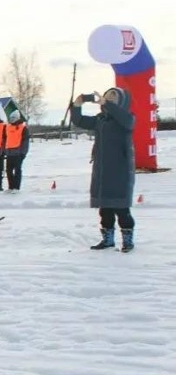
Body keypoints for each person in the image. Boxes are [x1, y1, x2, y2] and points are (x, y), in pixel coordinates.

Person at [71, 88, 136, 252]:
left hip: (120, 170)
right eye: (106, 96)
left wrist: (107, 104)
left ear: (121, 101)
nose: (107, 99)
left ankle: (128, 240)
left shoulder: (126, 119)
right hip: (102, 170)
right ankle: (108, 239)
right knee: (105, 208)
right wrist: (77, 105)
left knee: (121, 208)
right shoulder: (101, 120)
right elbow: (79, 121)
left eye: (113, 97)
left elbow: (127, 121)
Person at [4, 110, 30, 191]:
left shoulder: (23, 128)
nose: (12, 119)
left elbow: (25, 142)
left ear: (17, 118)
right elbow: (5, 139)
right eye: (11, 118)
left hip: (18, 153)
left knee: (17, 170)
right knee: (8, 171)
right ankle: (11, 186)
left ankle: (16, 187)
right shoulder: (7, 127)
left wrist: (23, 153)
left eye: (13, 118)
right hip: (9, 153)